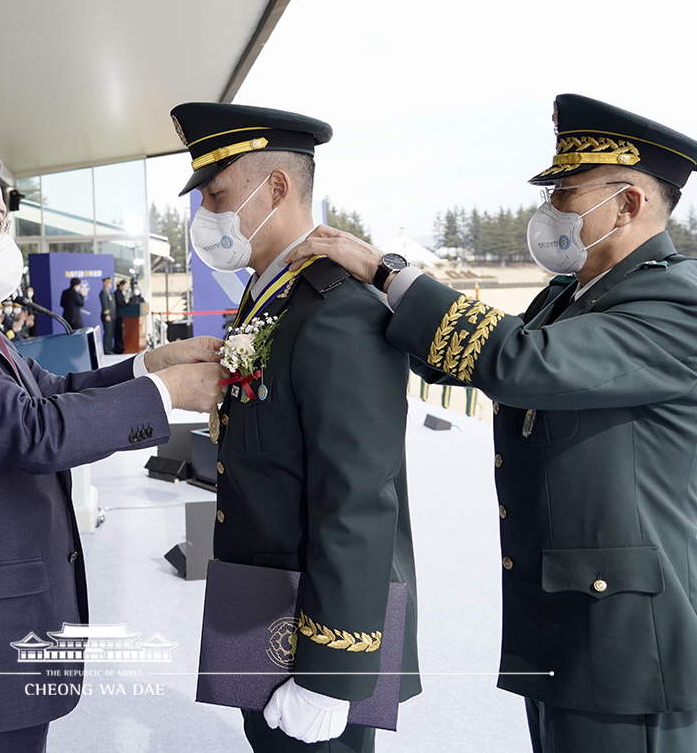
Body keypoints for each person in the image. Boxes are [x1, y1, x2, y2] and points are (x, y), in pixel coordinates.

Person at [286, 93, 697, 753]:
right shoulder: (571, 292)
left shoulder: (677, 298)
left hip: (626, 631)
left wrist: (390, 275)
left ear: (627, 204)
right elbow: (473, 360)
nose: (551, 209)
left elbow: (521, 362)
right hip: (560, 606)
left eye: (567, 191)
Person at [0, 139, 226, 753]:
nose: (8, 243)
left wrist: (144, 368)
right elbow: (27, 430)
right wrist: (167, 393)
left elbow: (47, 391)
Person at [171, 102, 420, 753]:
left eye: (218, 193)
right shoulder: (269, 296)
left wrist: (332, 676)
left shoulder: (336, 311)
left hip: (313, 630)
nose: (206, 213)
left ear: (275, 188)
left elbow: (359, 498)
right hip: (260, 600)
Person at [113, 279, 130, 353]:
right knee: (118, 332)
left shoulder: (121, 293)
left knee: (120, 332)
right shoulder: (117, 293)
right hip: (118, 315)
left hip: (122, 315)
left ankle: (120, 346)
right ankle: (118, 347)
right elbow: (120, 303)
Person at [99, 277, 115, 353]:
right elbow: (105, 304)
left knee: (111, 333)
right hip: (108, 316)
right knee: (108, 333)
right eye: (108, 283)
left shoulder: (109, 292)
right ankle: (107, 349)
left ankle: (110, 348)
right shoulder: (103, 293)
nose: (110, 284)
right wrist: (107, 314)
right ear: (104, 283)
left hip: (113, 316)